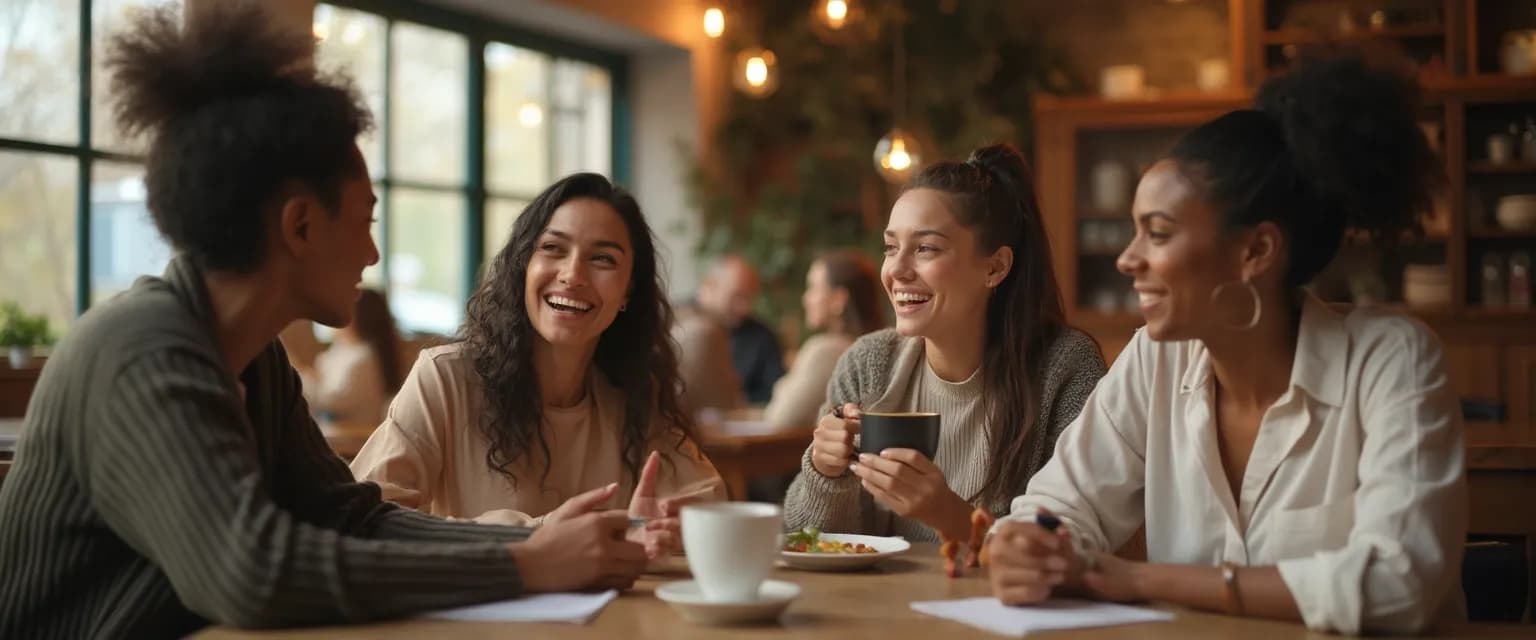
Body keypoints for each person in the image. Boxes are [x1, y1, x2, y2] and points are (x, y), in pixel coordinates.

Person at [0, 4, 649, 636]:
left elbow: (351, 518)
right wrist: (525, 565)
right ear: (301, 225)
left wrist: (536, 542)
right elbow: (253, 572)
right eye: (365, 220)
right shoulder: (140, 351)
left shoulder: (256, 359)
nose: (371, 254)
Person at [986, 51, 1466, 635]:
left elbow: (1398, 583)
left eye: (1158, 233)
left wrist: (1142, 580)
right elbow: (1058, 505)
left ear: (1256, 251)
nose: (1127, 259)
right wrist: (1024, 544)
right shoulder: (1155, 359)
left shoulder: (1392, 360)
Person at [350, 173, 725, 546]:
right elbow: (362, 520)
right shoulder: (445, 378)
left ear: (628, 290)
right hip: (483, 587)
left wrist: (667, 526)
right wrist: (538, 531)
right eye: (553, 248)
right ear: (523, 266)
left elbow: (709, 502)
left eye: (603, 259)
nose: (573, 275)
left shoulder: (636, 396)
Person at [783, 143, 1106, 543]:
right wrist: (825, 472)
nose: (897, 270)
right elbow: (807, 539)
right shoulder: (867, 365)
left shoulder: (1065, 369)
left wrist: (950, 516)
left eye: (926, 248)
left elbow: (1075, 545)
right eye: (891, 248)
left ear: (995, 267)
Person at [763, 249, 888, 430]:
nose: (806, 298)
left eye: (813, 288)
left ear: (838, 299)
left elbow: (780, 419)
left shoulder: (826, 351)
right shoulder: (881, 349)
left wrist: (783, 385)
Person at [296, 288, 402, 425]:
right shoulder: (341, 349)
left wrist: (299, 373)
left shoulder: (363, 358)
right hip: (334, 427)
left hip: (352, 432)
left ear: (362, 318)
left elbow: (331, 401)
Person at [696, 255, 785, 404]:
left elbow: (775, 393)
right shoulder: (674, 322)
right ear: (709, 287)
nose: (744, 308)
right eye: (737, 296)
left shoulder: (763, 337)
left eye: (749, 298)